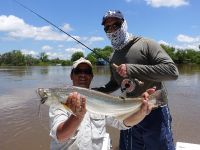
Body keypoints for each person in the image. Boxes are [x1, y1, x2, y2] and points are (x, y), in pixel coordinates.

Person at [94, 10, 179, 150]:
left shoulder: (146, 44)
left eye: (116, 24)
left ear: (124, 24)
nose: (112, 29)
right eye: (107, 27)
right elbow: (114, 83)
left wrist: (132, 69)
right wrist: (92, 92)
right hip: (128, 112)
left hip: (154, 110)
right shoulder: (113, 56)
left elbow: (172, 72)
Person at [49, 57, 155, 150]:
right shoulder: (60, 100)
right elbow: (61, 136)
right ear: (71, 75)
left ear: (91, 76)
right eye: (78, 71)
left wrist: (142, 112)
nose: (82, 75)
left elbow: (123, 123)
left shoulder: (101, 99)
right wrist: (77, 116)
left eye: (87, 72)